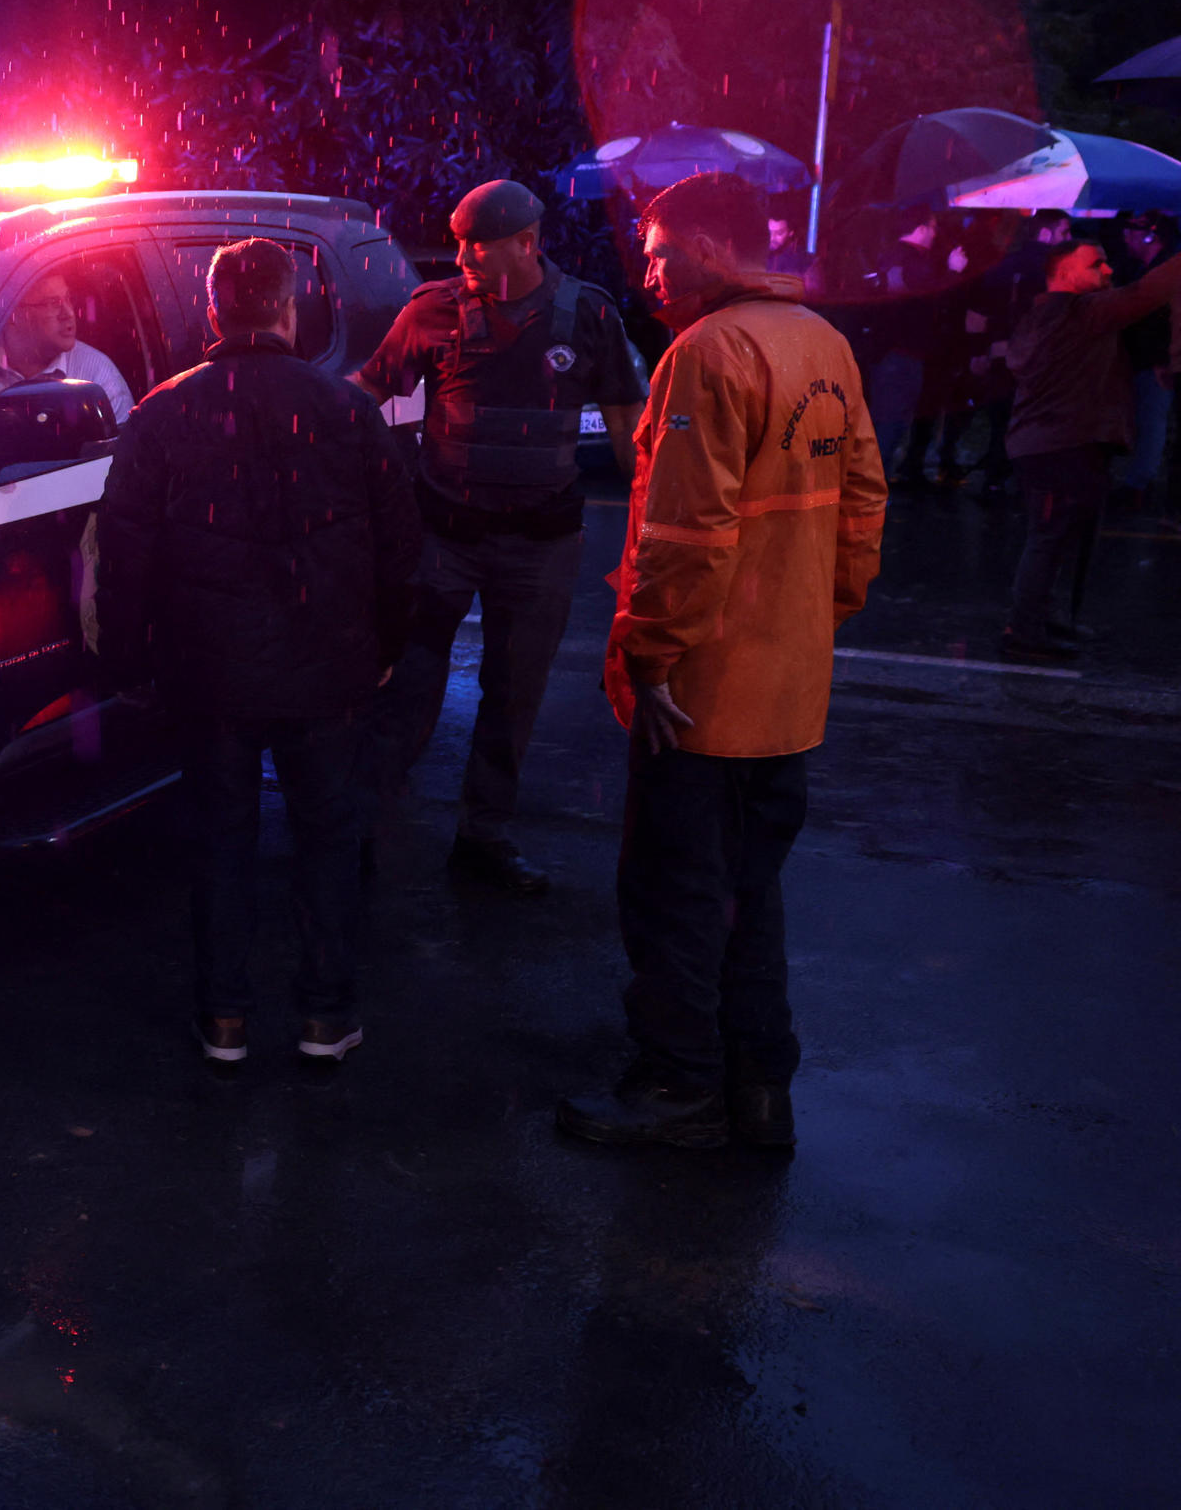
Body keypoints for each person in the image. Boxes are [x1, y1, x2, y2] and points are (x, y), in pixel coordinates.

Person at [559, 172, 885, 1151]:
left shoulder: (706, 354)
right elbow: (864, 509)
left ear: (710, 246)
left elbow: (685, 537)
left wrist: (652, 660)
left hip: (703, 694)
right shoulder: (819, 345)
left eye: (659, 249)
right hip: (785, 692)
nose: (647, 270)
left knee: (674, 893)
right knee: (750, 892)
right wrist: (808, 619)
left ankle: (676, 1084)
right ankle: (756, 1085)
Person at [97, 238, 419, 1066]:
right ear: (290, 308)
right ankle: (325, 1016)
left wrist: (131, 661)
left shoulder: (162, 413)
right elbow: (398, 542)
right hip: (328, 668)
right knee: (327, 840)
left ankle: (225, 1020)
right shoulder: (347, 410)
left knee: (220, 842)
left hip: (210, 674)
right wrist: (386, 644)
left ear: (213, 311)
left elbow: (126, 551)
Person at [353, 178, 646, 895]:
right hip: (442, 535)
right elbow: (366, 395)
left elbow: (629, 428)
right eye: (457, 242)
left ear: (527, 242)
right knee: (406, 686)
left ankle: (484, 836)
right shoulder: (434, 310)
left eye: (475, 245)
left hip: (540, 546)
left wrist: (660, 521)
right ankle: (358, 829)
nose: (460, 258)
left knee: (513, 695)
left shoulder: (588, 316)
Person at [997, 233, 1181, 661]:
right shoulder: (1077, 315)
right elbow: (1146, 292)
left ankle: (1045, 619)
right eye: (1096, 264)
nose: (1108, 269)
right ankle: (1023, 630)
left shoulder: (1055, 315)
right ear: (1065, 273)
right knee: (1048, 538)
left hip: (1066, 444)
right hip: (1058, 445)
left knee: (1064, 539)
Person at [0, 267, 138, 425]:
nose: (69, 313)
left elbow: (121, 448)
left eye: (68, 299)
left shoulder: (97, 374)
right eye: (53, 303)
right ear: (13, 313)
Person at [1108, 213, 1175, 514]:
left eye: (1131, 232)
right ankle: (1135, 481)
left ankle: (1138, 485)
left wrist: (1163, 360)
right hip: (1141, 359)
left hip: (1156, 363)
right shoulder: (1140, 268)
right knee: (1143, 423)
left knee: (1151, 423)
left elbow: (1166, 320)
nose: (1126, 238)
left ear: (1149, 236)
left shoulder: (1165, 270)